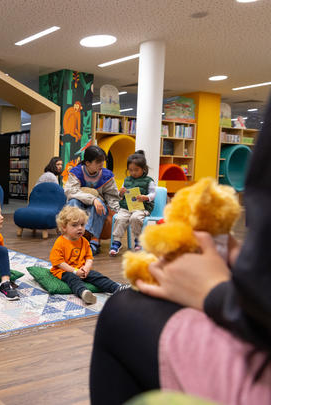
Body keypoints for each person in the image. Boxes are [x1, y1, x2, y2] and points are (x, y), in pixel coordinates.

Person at [88, 106, 271, 405]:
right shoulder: (122, 180)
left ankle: (137, 245)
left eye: (135, 170)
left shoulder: (147, 183)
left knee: (121, 309)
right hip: (255, 310)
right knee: (121, 222)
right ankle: (117, 244)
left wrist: (214, 291)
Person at [51, 206, 130, 304]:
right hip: (64, 271)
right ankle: (84, 293)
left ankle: (117, 288)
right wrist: (75, 271)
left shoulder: (84, 241)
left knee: (97, 275)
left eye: (82, 225)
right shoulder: (60, 242)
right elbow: (59, 263)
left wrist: (87, 268)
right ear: (64, 227)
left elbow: (89, 258)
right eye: (75, 225)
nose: (80, 228)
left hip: (82, 269)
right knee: (72, 279)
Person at [63, 145, 121, 256]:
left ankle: (94, 241)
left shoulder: (107, 175)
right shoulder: (76, 172)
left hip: (98, 204)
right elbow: (71, 191)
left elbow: (112, 197)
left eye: (103, 161)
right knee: (72, 203)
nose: (102, 164)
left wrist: (119, 211)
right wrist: (93, 199)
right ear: (87, 163)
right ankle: (73, 238)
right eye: (98, 161)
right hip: (80, 201)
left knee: (98, 206)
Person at [109, 150, 157, 256]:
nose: (133, 173)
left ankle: (138, 240)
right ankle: (116, 242)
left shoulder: (149, 181)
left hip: (142, 208)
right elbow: (120, 195)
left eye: (136, 170)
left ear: (143, 169)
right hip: (126, 207)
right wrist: (120, 193)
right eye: (130, 170)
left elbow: (153, 194)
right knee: (119, 218)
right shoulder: (127, 180)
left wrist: (146, 197)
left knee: (135, 218)